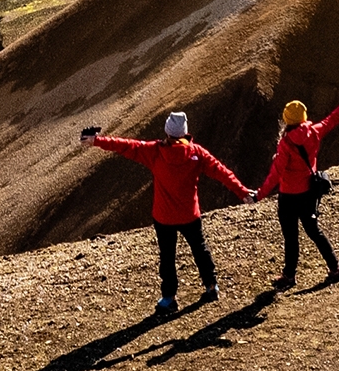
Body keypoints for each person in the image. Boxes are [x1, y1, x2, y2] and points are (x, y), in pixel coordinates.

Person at [82, 111, 254, 313]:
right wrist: (242, 193)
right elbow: (222, 172)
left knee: (168, 258)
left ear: (167, 131)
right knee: (200, 249)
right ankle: (211, 286)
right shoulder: (197, 153)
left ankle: (169, 298)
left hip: (164, 218)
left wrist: (96, 140)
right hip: (190, 215)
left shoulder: (154, 152)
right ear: (185, 132)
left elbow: (126, 146)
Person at [254, 78, 339, 286]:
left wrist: (258, 195)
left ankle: (289, 276)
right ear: (304, 116)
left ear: (287, 120)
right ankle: (335, 269)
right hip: (309, 192)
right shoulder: (315, 131)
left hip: (289, 196)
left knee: (291, 238)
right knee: (314, 231)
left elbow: (276, 173)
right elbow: (336, 117)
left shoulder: (286, 143)